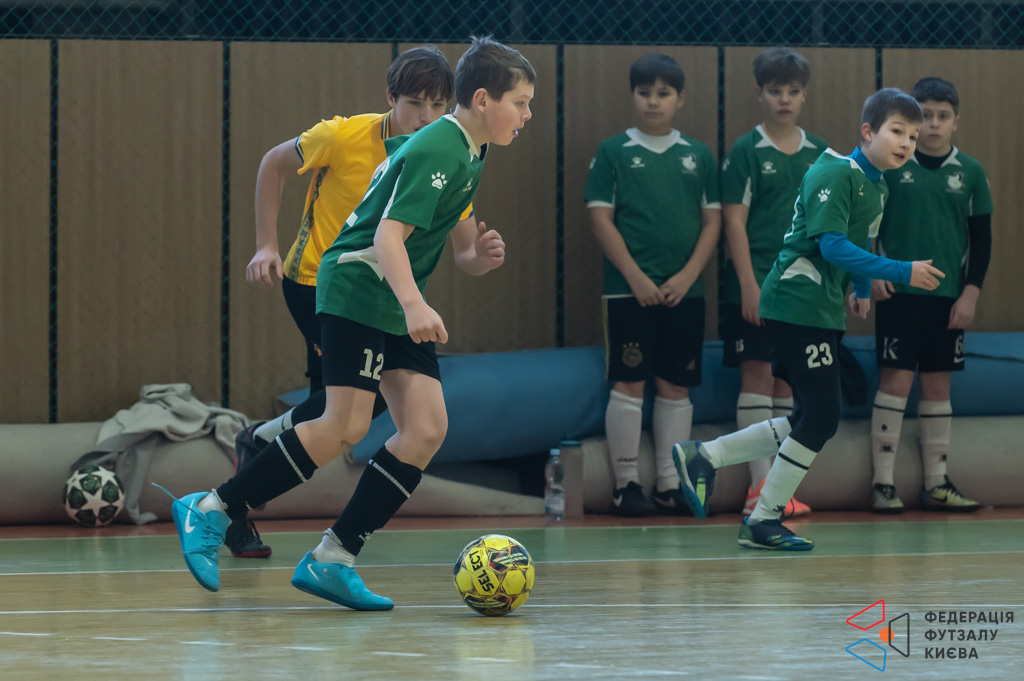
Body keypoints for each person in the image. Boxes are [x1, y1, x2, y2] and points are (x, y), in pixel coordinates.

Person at [158, 36, 535, 608]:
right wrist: (414, 305)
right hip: (359, 288)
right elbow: (386, 236)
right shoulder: (441, 147)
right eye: (521, 103)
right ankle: (211, 508)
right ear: (483, 99)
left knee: (425, 429)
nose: (528, 115)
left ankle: (334, 557)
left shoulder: (469, 149)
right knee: (344, 424)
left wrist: (474, 258)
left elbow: (441, 235)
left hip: (390, 295)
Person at [226, 45, 474, 559]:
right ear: (390, 97)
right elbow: (273, 163)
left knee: (354, 406)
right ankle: (233, 505)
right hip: (320, 282)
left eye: (437, 105)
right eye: (414, 103)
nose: (425, 116)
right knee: (350, 409)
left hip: (381, 293)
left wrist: (479, 255)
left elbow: (464, 247)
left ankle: (259, 448)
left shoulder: (446, 154)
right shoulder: (342, 135)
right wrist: (266, 245)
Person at [673, 88, 944, 550]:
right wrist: (902, 271)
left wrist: (861, 291)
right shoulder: (834, 171)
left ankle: (705, 455)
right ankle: (763, 517)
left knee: (807, 416)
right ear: (867, 132)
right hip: (794, 303)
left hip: (821, 310)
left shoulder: (879, 186)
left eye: (913, 137)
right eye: (897, 131)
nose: (906, 143)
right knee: (821, 416)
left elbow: (861, 241)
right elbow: (832, 245)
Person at [584, 53, 721, 516]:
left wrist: (688, 276)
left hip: (686, 292)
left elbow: (713, 223)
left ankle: (670, 482)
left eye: (663, 93)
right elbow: (600, 220)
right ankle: (626, 485)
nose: (653, 101)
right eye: (644, 93)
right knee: (628, 382)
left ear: (680, 99)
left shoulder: (699, 155)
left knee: (676, 386)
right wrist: (636, 277)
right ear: (632, 96)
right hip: (627, 292)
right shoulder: (613, 151)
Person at [869, 77, 991, 514]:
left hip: (947, 298)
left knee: (938, 385)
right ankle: (882, 484)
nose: (935, 123)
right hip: (898, 292)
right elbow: (865, 222)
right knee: (896, 381)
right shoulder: (890, 165)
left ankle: (937, 483)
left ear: (956, 122)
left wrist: (970, 293)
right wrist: (871, 270)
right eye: (927, 115)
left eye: (943, 116)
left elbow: (982, 240)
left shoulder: (971, 172)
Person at [720, 47, 825, 518]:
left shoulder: (821, 154)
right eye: (775, 90)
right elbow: (734, 222)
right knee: (758, 376)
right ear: (760, 94)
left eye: (793, 91)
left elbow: (830, 226)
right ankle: (757, 486)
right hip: (757, 284)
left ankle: (778, 491)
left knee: (788, 382)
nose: (784, 99)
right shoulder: (746, 151)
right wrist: (748, 283)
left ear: (804, 95)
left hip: (801, 292)